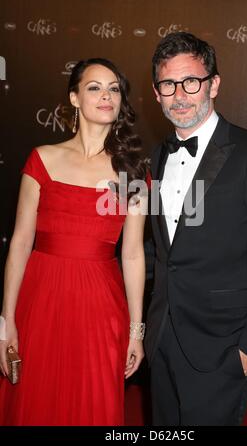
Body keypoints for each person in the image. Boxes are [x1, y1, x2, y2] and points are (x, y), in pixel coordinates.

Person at [144, 32, 247, 426]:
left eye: (191, 81)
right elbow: (164, 251)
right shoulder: (157, 157)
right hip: (162, 340)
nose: (179, 94)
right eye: (168, 84)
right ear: (156, 91)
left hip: (223, 350)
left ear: (214, 83)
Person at [0, 58, 148, 425]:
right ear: (74, 98)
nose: (106, 96)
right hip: (40, 300)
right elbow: (19, 243)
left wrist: (136, 331)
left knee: (93, 405)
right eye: (94, 87)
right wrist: (7, 323)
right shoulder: (42, 159)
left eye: (114, 89)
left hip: (101, 306)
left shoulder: (133, 170)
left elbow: (132, 255)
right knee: (35, 401)